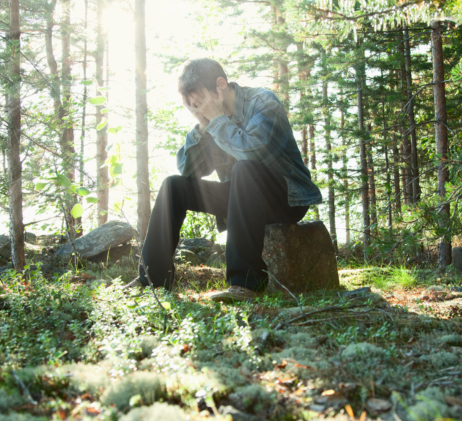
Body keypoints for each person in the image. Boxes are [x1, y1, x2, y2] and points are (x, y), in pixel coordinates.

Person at [124, 58, 321, 302]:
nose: (198, 110)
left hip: (287, 199)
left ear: (220, 85)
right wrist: (202, 129)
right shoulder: (210, 120)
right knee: (173, 186)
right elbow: (188, 170)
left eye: (199, 103)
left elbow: (251, 153)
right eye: (191, 106)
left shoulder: (263, 102)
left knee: (244, 169)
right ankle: (151, 281)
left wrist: (217, 120)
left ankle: (245, 284)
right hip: (241, 199)